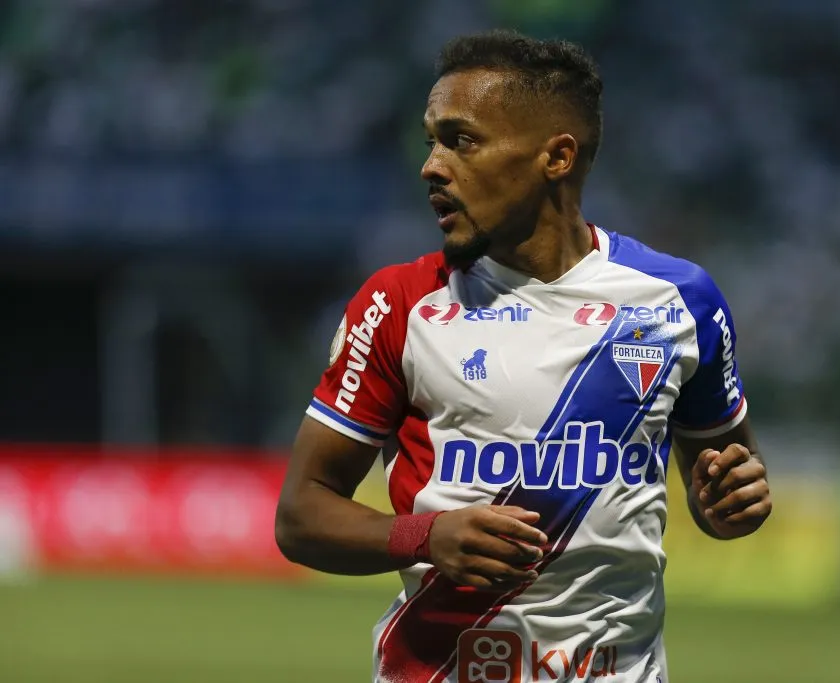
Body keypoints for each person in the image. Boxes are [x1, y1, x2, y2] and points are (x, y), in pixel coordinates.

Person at [275, 29, 772, 683]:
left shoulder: (680, 300)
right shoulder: (400, 303)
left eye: (461, 140)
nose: (432, 166)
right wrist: (426, 536)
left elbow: (722, 493)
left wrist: (732, 503)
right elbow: (301, 514)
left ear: (556, 157)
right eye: (431, 142)